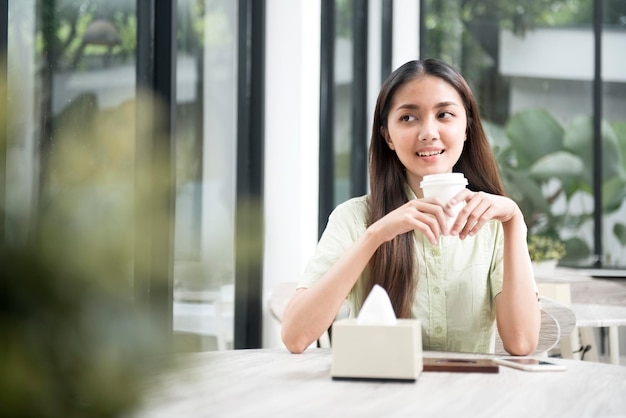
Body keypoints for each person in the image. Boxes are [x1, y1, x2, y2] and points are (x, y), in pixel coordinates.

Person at [281, 58, 541, 355]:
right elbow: (295, 336)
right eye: (408, 118)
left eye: (444, 114)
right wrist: (375, 235)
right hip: (375, 396)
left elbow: (521, 343)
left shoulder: (495, 223)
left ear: (467, 128)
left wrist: (513, 220)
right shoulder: (354, 218)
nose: (428, 132)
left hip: (466, 397)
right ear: (387, 136)